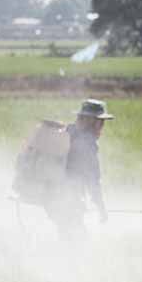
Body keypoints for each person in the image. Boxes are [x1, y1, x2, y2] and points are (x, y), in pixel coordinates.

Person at [46, 98, 114, 237]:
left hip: (51, 196)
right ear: (94, 122)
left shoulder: (68, 132)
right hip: (66, 200)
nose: (102, 126)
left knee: (67, 235)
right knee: (78, 241)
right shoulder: (87, 143)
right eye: (101, 122)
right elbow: (93, 180)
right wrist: (101, 207)